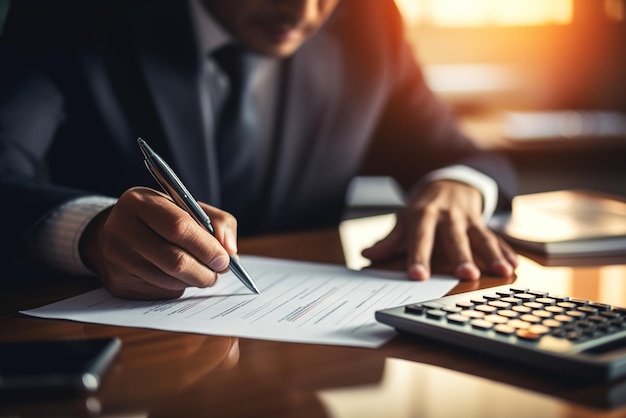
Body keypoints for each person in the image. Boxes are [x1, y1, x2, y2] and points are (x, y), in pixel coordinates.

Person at [0, 0, 518, 300]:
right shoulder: (76, 13)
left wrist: (457, 187)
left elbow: (466, 156)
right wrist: (90, 232)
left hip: (303, 351)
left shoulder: (367, 20)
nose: (302, 10)